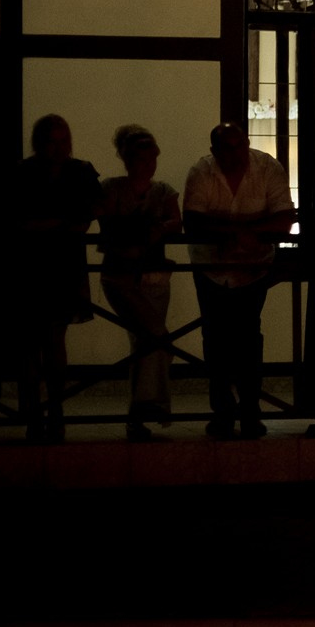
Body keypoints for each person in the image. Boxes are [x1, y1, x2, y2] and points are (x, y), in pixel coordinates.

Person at [183, 122, 294, 439]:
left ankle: (246, 411)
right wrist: (248, 232)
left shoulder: (266, 167)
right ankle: (225, 411)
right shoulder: (201, 172)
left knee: (246, 338)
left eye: (240, 145)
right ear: (214, 151)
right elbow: (192, 222)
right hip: (211, 267)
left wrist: (233, 235)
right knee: (216, 338)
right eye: (228, 148)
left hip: (252, 267)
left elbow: (284, 219)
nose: (237, 154)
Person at [13, 114, 102, 441]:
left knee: (50, 341)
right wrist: (64, 223)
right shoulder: (28, 173)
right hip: (34, 266)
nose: (60, 147)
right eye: (54, 141)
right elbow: (20, 221)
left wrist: (51, 224)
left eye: (63, 140)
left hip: (56, 265)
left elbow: (91, 212)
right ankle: (41, 411)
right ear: (40, 143)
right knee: (35, 344)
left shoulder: (74, 171)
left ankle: (50, 410)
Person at [97, 125, 182, 441]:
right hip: (122, 277)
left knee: (148, 342)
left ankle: (143, 411)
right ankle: (147, 407)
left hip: (154, 276)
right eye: (140, 159)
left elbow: (176, 221)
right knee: (155, 338)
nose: (147, 165)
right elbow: (107, 227)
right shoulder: (111, 190)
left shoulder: (163, 191)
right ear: (127, 159)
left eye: (151, 159)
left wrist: (156, 230)